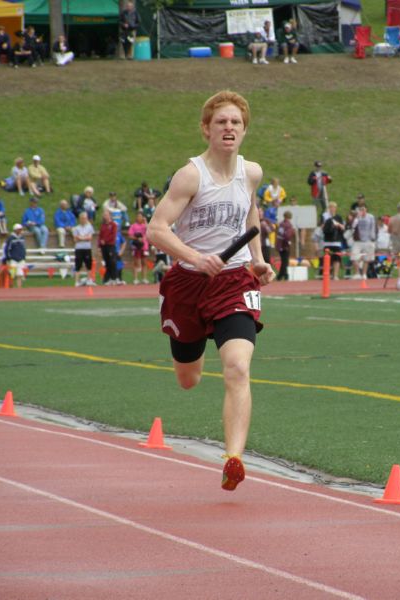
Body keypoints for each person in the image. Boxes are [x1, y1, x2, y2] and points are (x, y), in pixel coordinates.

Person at [146, 90, 274, 490]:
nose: (229, 128)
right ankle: (196, 338)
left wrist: (257, 257)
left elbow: (250, 208)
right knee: (189, 378)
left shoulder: (251, 172)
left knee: (237, 367)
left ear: (245, 130)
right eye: (221, 122)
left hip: (234, 281)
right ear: (206, 130)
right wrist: (197, 257)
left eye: (236, 122)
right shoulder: (190, 176)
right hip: (188, 282)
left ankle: (234, 458)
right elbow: (156, 230)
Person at [350, 204, 377, 280]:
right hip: (358, 240)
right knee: (353, 257)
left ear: (366, 209)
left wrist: (373, 238)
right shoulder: (357, 217)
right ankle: (357, 273)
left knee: (366, 258)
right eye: (361, 209)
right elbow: (353, 226)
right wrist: (357, 217)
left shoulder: (370, 217)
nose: (362, 211)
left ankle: (364, 274)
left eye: (363, 209)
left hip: (368, 240)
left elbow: (373, 226)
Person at [322, 201, 345, 280]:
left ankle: (335, 275)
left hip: (336, 241)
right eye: (330, 207)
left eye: (333, 207)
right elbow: (322, 228)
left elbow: (342, 228)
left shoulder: (338, 217)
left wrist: (338, 225)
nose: (332, 209)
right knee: (327, 259)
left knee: (336, 259)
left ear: (335, 209)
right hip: (327, 241)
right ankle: (327, 275)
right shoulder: (325, 217)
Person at [73, 212, 96, 287]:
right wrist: (84, 237)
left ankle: (89, 280)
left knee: (88, 264)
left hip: (87, 248)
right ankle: (77, 281)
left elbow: (90, 238)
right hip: (79, 248)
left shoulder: (90, 227)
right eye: (82, 218)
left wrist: (81, 237)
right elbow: (76, 239)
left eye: (85, 218)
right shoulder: (76, 228)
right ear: (79, 219)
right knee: (78, 265)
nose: (84, 220)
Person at [128, 212, 149, 284]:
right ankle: (135, 278)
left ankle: (144, 278)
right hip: (136, 246)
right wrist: (136, 238)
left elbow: (149, 230)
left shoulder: (144, 226)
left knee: (144, 262)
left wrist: (145, 221)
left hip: (144, 246)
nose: (139, 218)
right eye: (138, 216)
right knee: (136, 262)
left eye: (140, 216)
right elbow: (130, 235)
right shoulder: (133, 226)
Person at [98, 208, 119, 285]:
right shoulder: (103, 225)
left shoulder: (113, 225)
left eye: (106, 215)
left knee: (112, 262)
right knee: (106, 262)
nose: (105, 216)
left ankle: (115, 278)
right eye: (104, 215)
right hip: (104, 247)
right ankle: (108, 278)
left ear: (109, 216)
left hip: (110, 245)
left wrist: (105, 240)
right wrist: (99, 245)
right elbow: (100, 236)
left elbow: (113, 236)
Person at [3, 223, 27, 288]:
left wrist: (24, 255)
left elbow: (23, 247)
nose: (20, 231)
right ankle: (11, 287)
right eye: (19, 229)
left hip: (21, 258)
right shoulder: (11, 238)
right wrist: (8, 257)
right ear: (15, 230)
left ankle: (19, 288)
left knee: (20, 274)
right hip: (13, 259)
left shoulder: (22, 238)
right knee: (12, 274)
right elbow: (7, 249)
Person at [275, 211, 295, 281]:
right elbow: (287, 236)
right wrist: (289, 242)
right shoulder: (288, 225)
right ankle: (281, 276)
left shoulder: (281, 224)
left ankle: (284, 274)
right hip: (285, 245)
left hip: (280, 244)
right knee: (285, 261)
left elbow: (280, 234)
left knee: (284, 261)